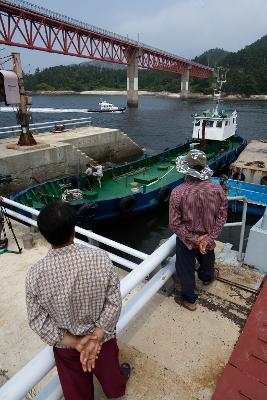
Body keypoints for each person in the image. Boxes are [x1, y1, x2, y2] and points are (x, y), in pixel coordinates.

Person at [25, 201, 130, 399]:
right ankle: (116, 391)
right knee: (111, 376)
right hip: (103, 340)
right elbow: (113, 302)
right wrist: (97, 335)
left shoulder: (34, 275)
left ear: (45, 236)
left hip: (67, 345)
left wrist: (76, 342)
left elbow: (37, 320)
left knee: (76, 390)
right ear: (73, 230)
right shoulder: (100, 258)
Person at [169, 149, 227, 311]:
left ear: (187, 170)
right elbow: (222, 217)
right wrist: (207, 239)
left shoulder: (178, 193)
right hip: (207, 239)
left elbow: (174, 224)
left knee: (185, 269)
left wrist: (194, 239)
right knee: (208, 262)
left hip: (186, 241)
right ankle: (207, 277)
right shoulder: (218, 190)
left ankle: (190, 301)